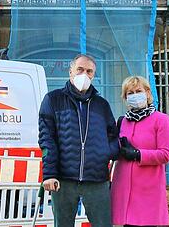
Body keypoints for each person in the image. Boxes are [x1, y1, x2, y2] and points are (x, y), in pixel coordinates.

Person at [38, 54, 118, 227]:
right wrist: (49, 174)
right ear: (70, 72)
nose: (84, 74)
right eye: (80, 69)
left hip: (96, 179)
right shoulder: (53, 99)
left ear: (93, 75)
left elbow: (113, 135)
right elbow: (47, 139)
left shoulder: (102, 105)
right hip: (64, 179)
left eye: (89, 71)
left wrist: (105, 154)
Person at [111, 76, 169, 227]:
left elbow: (166, 154)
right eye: (130, 93)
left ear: (147, 93)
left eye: (138, 91)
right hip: (123, 187)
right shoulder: (122, 121)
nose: (134, 95)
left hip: (148, 189)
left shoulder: (161, 120)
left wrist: (138, 154)